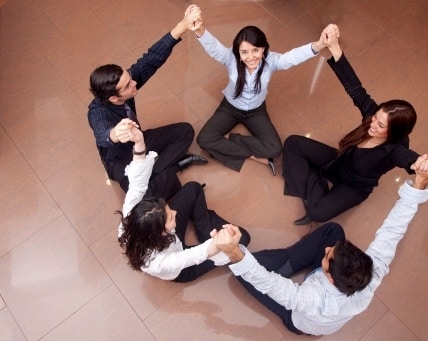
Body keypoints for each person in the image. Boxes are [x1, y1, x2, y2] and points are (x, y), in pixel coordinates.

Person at [213, 154, 428, 335]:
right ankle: (289, 261)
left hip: (297, 319)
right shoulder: (374, 270)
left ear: (329, 276)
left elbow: (270, 284)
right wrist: (420, 181)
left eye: (327, 256)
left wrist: (235, 253)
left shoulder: (310, 300)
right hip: (323, 295)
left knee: (243, 271)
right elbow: (394, 229)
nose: (326, 249)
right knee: (333, 230)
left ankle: (286, 264)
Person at [282, 24, 428, 225]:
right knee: (293, 143)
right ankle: (316, 179)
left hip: (354, 186)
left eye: (381, 125)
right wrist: (334, 47)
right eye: (376, 118)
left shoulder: (395, 149)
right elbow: (356, 89)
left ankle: (313, 179)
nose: (373, 124)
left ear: (395, 132)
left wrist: (422, 164)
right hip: (339, 161)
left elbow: (409, 160)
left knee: (317, 213)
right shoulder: (372, 116)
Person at [88, 4, 207, 200]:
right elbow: (103, 134)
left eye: (130, 78)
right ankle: (170, 167)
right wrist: (116, 134)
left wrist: (183, 26)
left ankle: (155, 171)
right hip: (120, 160)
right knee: (145, 195)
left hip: (139, 141)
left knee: (186, 131)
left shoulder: (127, 84)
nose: (134, 82)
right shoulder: (97, 112)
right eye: (128, 85)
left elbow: (152, 59)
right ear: (113, 98)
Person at [193, 18, 332, 174]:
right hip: (230, 107)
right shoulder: (230, 58)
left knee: (275, 149)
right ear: (238, 52)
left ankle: (232, 141)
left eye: (255, 50)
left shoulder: (271, 61)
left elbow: (292, 57)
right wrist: (199, 30)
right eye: (244, 52)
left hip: (256, 111)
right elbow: (213, 47)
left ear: (264, 49)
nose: (250, 57)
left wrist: (319, 44)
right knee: (204, 139)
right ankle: (255, 157)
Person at [117, 124, 251, 282]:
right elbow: (194, 255)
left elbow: (137, 183)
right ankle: (206, 229)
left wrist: (139, 143)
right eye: (171, 217)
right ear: (160, 233)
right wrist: (221, 241)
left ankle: (204, 228)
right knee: (243, 239)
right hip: (183, 269)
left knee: (193, 188)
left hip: (172, 239)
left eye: (168, 209)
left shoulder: (132, 215)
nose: (174, 212)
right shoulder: (158, 263)